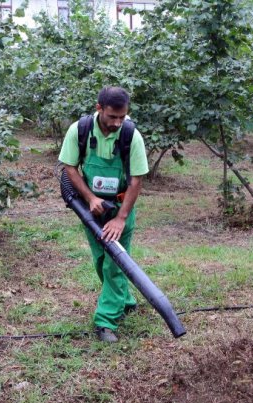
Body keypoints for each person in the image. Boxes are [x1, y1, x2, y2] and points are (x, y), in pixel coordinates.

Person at [58, 87, 149, 343]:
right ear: (99, 108)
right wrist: (90, 198)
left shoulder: (132, 136)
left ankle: (106, 320)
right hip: (92, 210)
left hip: (121, 210)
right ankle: (125, 300)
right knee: (101, 260)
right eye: (112, 117)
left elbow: (136, 180)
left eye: (122, 117)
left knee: (115, 263)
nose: (117, 123)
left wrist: (121, 218)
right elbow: (69, 168)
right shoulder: (80, 131)